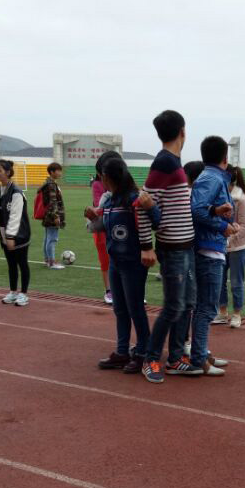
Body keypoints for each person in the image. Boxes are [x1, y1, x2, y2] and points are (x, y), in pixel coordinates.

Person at [87, 157, 159, 373]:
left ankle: (143, 352)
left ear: (108, 177)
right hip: (115, 262)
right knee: (120, 309)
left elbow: (157, 222)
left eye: (102, 176)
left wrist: (152, 208)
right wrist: (92, 218)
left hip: (133, 263)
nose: (101, 180)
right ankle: (121, 351)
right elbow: (101, 227)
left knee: (135, 308)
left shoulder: (134, 199)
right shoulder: (109, 201)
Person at [136, 110, 193, 384]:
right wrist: (146, 246)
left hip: (185, 246)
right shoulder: (165, 163)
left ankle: (175, 357)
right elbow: (142, 204)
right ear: (183, 131)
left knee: (186, 304)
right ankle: (151, 358)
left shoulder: (173, 163)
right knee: (173, 307)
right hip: (173, 248)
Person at [186, 136, 237, 376]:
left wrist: (226, 223)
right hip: (208, 250)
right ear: (225, 157)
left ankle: (202, 352)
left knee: (205, 306)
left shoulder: (213, 177)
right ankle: (199, 358)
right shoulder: (212, 178)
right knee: (207, 308)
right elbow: (197, 211)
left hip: (211, 248)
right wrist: (223, 226)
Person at [0, 159, 31, 306]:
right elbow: (6, 209)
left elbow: (15, 215)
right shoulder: (0, 189)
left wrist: (10, 236)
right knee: (11, 264)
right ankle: (13, 292)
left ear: (7, 172)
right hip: (5, 233)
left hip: (19, 234)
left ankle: (23, 294)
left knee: (22, 263)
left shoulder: (16, 192)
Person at [216, 165, 245, 329]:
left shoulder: (241, 199)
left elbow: (244, 225)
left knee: (236, 282)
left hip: (238, 247)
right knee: (220, 281)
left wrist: (229, 239)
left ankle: (237, 314)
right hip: (221, 246)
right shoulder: (219, 196)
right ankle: (222, 312)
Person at [91, 153, 118, 304]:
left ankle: (131, 290)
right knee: (105, 259)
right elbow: (99, 207)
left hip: (120, 226)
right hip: (103, 226)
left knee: (126, 258)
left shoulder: (126, 184)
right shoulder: (97, 184)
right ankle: (109, 290)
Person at [36, 162, 66, 269]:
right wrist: (56, 216)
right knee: (52, 239)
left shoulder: (48, 183)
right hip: (52, 216)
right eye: (58, 170)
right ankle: (52, 263)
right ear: (52, 172)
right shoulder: (51, 185)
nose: (60, 173)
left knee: (47, 238)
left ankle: (47, 260)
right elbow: (53, 202)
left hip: (48, 215)